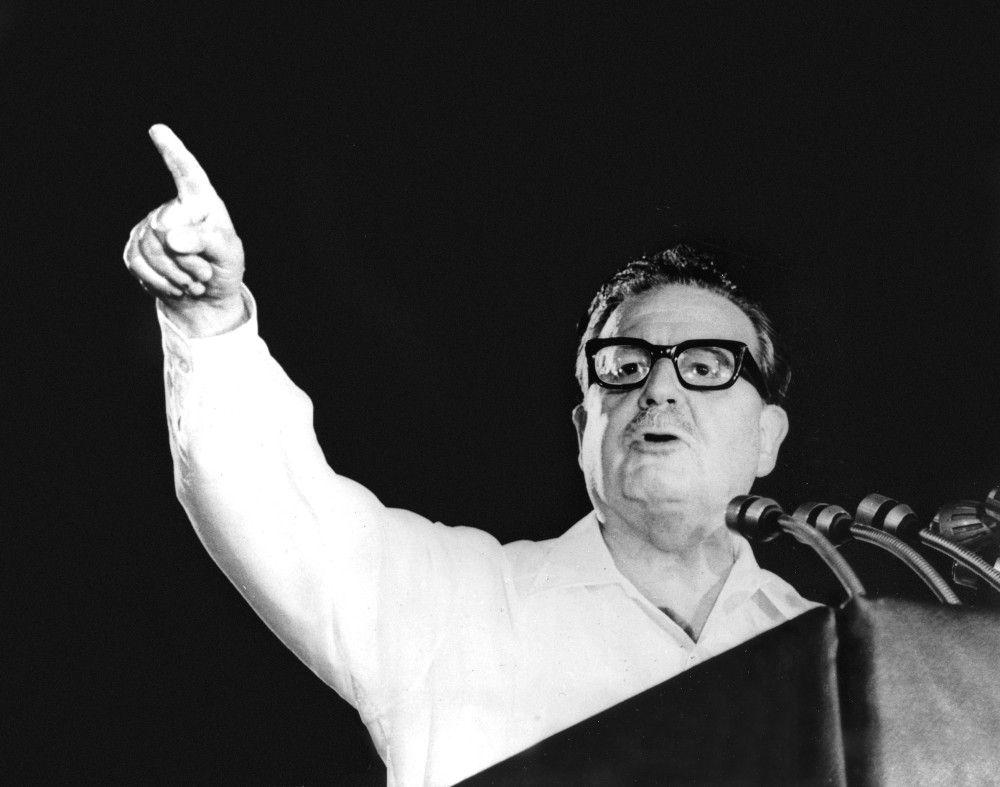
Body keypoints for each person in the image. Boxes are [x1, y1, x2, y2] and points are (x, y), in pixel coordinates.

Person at [123, 124, 818, 787]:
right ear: (584, 428)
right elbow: (269, 503)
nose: (659, 389)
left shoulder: (835, 649)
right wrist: (208, 319)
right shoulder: (454, 606)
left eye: (704, 366)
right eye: (625, 366)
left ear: (768, 436)